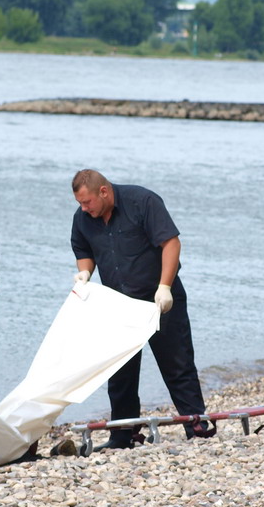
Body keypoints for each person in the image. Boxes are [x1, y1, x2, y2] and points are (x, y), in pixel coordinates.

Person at [70, 169, 212, 449]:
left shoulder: (143, 201)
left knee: (177, 363)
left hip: (159, 297)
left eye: (87, 202)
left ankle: (196, 425)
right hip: (119, 304)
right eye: (80, 203)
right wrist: (84, 273)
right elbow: (83, 251)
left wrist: (165, 286)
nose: (83, 208)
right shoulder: (83, 218)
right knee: (120, 371)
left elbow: (171, 242)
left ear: (104, 192)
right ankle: (124, 434)